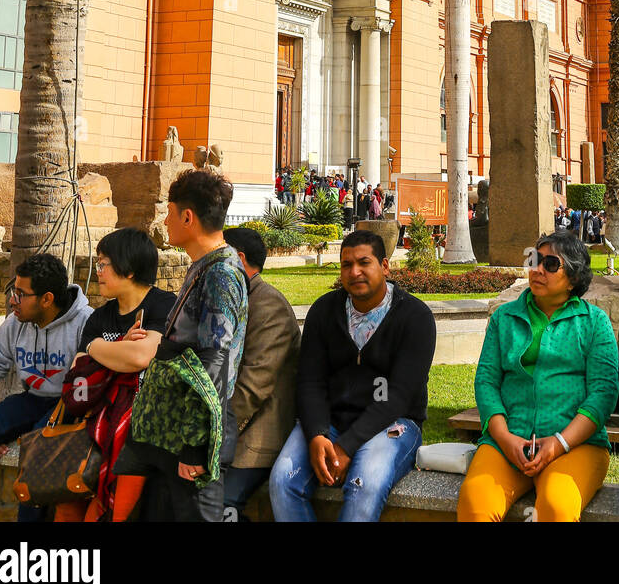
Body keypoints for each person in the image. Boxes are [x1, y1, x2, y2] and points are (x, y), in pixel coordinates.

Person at [269, 230, 436, 522]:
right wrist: (318, 435)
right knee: (283, 480)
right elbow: (310, 382)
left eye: (364, 262)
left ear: (385, 266)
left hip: (393, 425)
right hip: (330, 422)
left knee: (364, 485)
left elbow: (397, 396)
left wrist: (346, 447)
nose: (354, 272)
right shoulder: (324, 311)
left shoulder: (415, 317)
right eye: (346, 265)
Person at [457, 231, 618, 523]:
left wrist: (559, 442)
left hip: (577, 445)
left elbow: (603, 394)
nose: (537, 269)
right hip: (508, 442)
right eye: (535, 260)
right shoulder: (504, 318)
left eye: (551, 264)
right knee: (475, 502)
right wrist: (505, 439)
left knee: (556, 506)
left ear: (573, 277)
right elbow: (487, 382)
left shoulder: (595, 323)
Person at [114, 170, 247, 521]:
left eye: (169, 211)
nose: (165, 220)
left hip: (190, 437)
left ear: (187, 217)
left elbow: (213, 367)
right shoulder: (204, 265)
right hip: (169, 432)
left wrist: (195, 447)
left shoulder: (221, 273)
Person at [53, 228, 177, 523]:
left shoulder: (164, 306)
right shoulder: (100, 317)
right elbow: (78, 374)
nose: (98, 272)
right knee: (66, 508)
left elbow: (140, 356)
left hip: (139, 430)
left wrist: (100, 351)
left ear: (129, 268)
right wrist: (113, 346)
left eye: (103, 263)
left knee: (110, 514)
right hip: (92, 426)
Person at [0, 254, 91, 507]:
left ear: (47, 299)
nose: (13, 301)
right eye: (13, 291)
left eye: (21, 294)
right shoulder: (14, 323)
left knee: (37, 447)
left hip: (67, 403)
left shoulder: (84, 322)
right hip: (32, 398)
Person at [222, 227, 300, 521]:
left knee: (220, 506)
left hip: (256, 435)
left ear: (238, 259)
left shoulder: (268, 305)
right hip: (227, 427)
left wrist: (210, 430)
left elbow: (254, 386)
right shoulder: (229, 299)